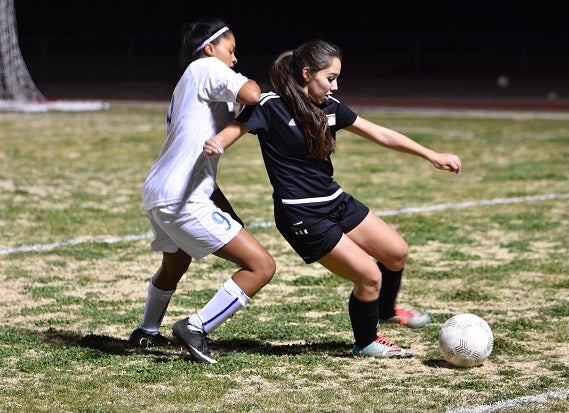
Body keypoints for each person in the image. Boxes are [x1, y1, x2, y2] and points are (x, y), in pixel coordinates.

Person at [203, 39, 462, 358]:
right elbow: (236, 129)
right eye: (330, 78)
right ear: (307, 73)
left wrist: (431, 154)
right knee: (369, 275)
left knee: (396, 253)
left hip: (334, 200)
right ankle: (366, 341)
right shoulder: (271, 105)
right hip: (301, 214)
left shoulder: (330, 108)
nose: (336, 86)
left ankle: (384, 309)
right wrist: (218, 142)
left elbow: (380, 134)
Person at [128, 18, 276, 364]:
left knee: (174, 264)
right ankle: (196, 327)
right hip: (181, 196)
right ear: (209, 48)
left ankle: (146, 330)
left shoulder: (190, 82)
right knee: (261, 266)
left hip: (161, 190)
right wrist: (258, 85)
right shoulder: (207, 66)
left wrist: (225, 208)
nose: (234, 59)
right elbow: (252, 95)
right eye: (231, 49)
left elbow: (199, 162)